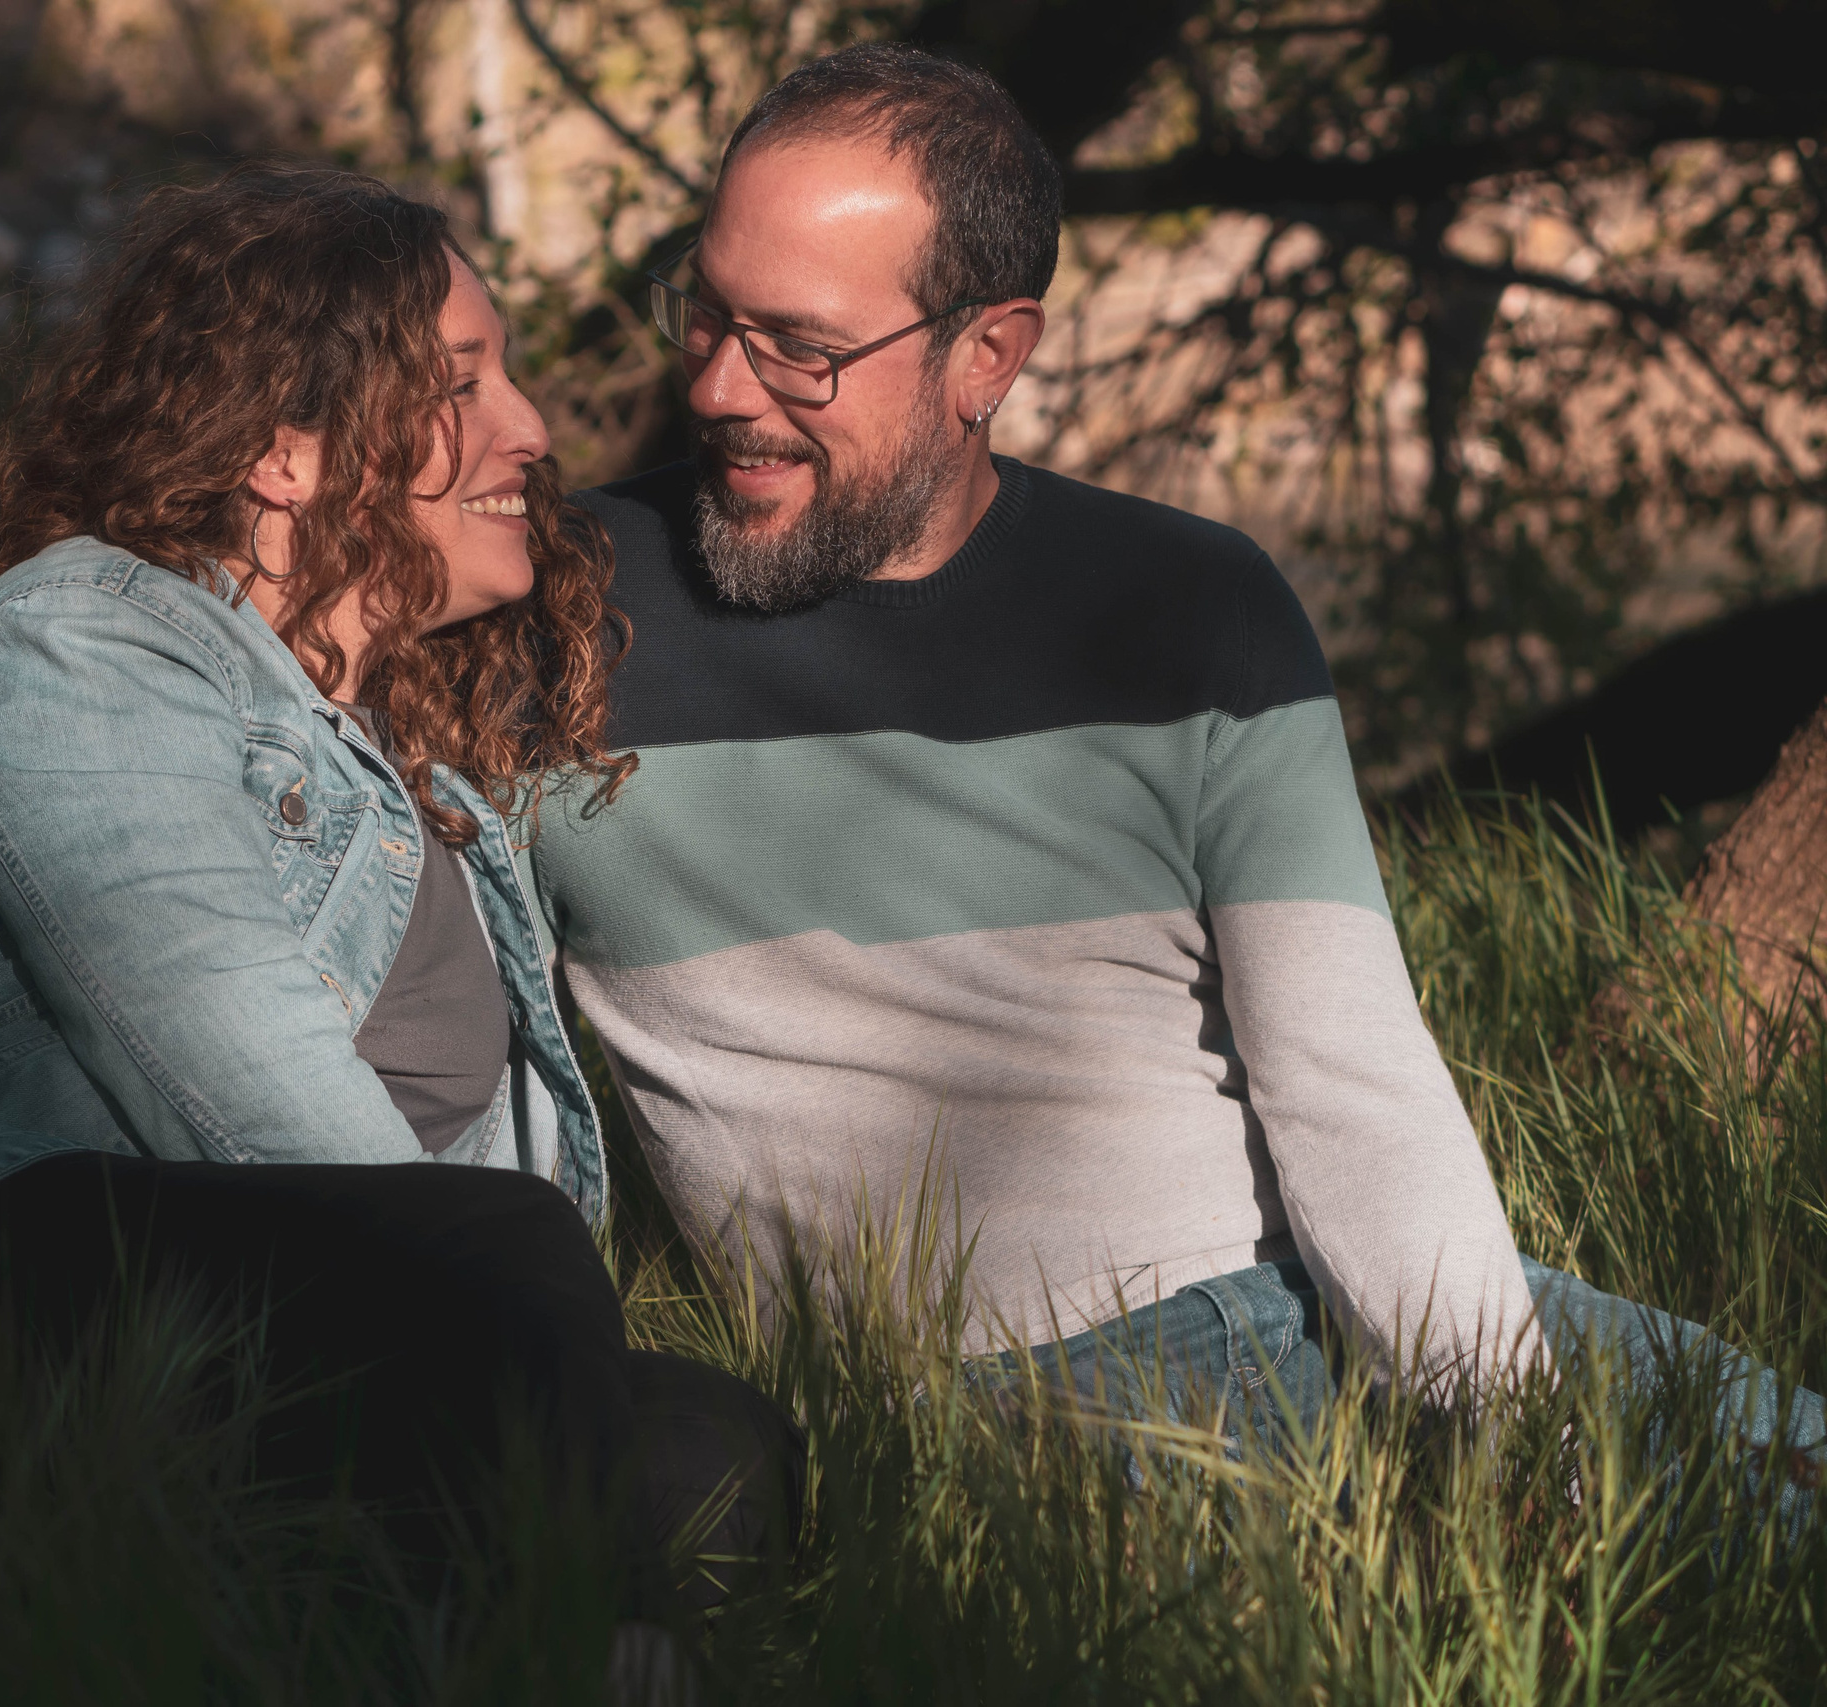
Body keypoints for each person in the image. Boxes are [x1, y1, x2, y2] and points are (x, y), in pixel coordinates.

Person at [527, 43, 1821, 1495]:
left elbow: (1349, 1076)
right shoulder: (552, 616)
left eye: (799, 348)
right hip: (1032, 1405)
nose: (719, 384)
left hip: (1343, 1290)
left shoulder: (1195, 606)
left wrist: (1505, 1428)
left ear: (987, 358)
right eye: (705, 311)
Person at [0, 165, 799, 1607]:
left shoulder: (437, 786)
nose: (530, 429)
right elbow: (255, 1103)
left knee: (715, 1446)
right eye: (462, 384)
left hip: (287, 1327)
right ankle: (578, 1652)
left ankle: (398, 1615)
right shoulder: (85, 639)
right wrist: (492, 1309)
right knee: (501, 1277)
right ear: (285, 454)